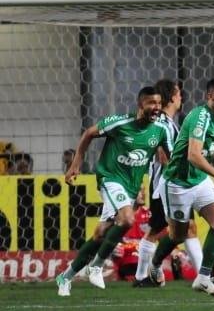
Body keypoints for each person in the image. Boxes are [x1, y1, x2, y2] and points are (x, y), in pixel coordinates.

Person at [55, 87, 165, 296]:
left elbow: (168, 156)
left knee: (100, 233)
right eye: (152, 103)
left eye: (159, 104)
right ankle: (96, 265)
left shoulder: (159, 129)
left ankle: (65, 276)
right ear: (141, 104)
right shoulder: (120, 122)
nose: (156, 108)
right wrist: (77, 163)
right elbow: (89, 133)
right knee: (127, 219)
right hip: (110, 178)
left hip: (131, 187)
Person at [147, 77, 214, 297]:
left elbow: (208, 150)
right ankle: (155, 263)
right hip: (177, 183)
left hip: (199, 180)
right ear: (210, 96)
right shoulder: (200, 116)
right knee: (178, 234)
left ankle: (204, 278)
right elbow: (194, 155)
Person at [133, 79, 208, 288]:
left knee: (182, 228)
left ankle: (203, 276)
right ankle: (142, 277)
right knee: (162, 230)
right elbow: (162, 156)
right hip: (165, 186)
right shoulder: (162, 123)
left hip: (169, 185)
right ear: (172, 97)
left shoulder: (170, 122)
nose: (181, 97)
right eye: (179, 93)